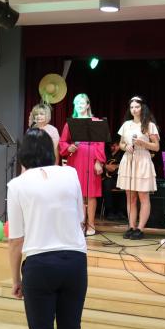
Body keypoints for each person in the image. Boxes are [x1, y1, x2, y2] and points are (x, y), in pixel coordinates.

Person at [7, 128, 87, 329]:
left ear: (24, 154)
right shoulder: (70, 173)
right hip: (75, 262)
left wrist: (15, 279)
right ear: (50, 151)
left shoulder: (17, 185)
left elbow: (16, 239)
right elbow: (81, 217)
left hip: (39, 265)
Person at [59, 93, 106, 236]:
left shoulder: (96, 122)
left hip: (92, 158)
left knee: (91, 193)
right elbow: (63, 142)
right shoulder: (70, 123)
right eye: (77, 103)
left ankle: (91, 224)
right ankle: (79, 223)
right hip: (76, 158)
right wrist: (69, 148)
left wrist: (99, 161)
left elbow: (100, 143)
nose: (79, 105)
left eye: (82, 103)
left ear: (87, 105)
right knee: (77, 193)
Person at [116, 96, 160, 240]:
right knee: (130, 197)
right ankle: (131, 226)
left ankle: (140, 228)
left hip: (143, 160)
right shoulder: (126, 124)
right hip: (129, 160)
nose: (134, 109)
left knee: (143, 196)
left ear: (142, 108)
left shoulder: (149, 125)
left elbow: (156, 147)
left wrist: (144, 143)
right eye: (132, 107)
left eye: (137, 107)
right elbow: (121, 144)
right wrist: (125, 147)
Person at [102, 137, 125, 221]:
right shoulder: (105, 152)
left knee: (125, 185)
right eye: (112, 146)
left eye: (116, 146)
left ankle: (121, 211)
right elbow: (100, 162)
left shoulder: (123, 154)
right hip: (107, 178)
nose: (113, 147)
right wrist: (105, 166)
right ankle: (109, 211)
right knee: (107, 184)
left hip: (119, 177)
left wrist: (116, 166)